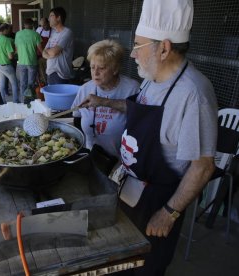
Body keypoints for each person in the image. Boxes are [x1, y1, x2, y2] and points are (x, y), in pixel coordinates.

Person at [80, 0, 218, 275]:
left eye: (138, 46)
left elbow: (202, 167)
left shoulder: (193, 94)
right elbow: (137, 109)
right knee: (119, 261)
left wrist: (169, 213)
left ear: (164, 48)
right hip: (129, 187)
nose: (132, 54)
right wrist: (104, 103)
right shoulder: (152, 78)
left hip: (157, 199)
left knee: (146, 267)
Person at [71, 40, 139, 157]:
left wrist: (103, 102)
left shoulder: (132, 88)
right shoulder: (85, 89)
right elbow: (76, 117)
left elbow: (140, 116)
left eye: (101, 68)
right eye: (92, 67)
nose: (95, 73)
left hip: (123, 161)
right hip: (92, 158)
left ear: (115, 69)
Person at [43, 7, 74, 84]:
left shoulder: (67, 33)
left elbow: (54, 52)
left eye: (51, 16)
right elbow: (43, 52)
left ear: (59, 18)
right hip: (50, 72)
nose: (49, 19)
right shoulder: (53, 34)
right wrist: (50, 54)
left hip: (60, 74)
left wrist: (49, 51)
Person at [15, 18, 42, 102]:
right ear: (32, 25)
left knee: (22, 83)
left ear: (24, 25)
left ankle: (23, 101)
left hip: (21, 62)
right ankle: (29, 101)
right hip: (32, 62)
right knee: (31, 84)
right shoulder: (36, 34)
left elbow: (16, 48)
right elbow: (40, 49)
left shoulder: (18, 34)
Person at [0, 23, 19, 103]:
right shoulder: (7, 40)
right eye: (8, 29)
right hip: (7, 66)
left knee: (1, 85)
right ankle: (15, 101)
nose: (10, 31)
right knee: (14, 84)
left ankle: (3, 102)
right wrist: (16, 51)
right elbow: (10, 57)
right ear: (4, 30)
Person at [36, 17, 51, 85]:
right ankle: (42, 82)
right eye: (41, 25)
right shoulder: (39, 30)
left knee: (47, 68)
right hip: (39, 53)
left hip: (49, 53)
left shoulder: (53, 31)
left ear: (48, 23)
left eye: (44, 25)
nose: (43, 27)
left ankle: (46, 82)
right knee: (39, 69)